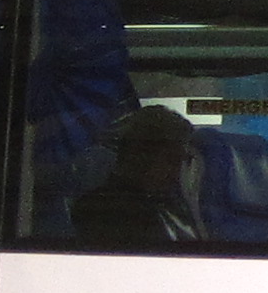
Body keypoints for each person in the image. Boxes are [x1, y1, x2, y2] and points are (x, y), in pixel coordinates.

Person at [70, 103, 205, 247]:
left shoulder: (172, 205)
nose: (175, 172)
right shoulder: (101, 210)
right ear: (139, 155)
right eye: (170, 160)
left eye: (180, 162)